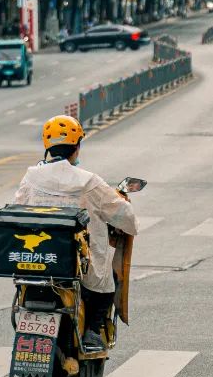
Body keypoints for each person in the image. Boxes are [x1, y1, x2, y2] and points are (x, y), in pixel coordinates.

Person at [11, 115, 138, 352]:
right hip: (79, 263)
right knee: (105, 284)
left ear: (47, 147)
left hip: (38, 259)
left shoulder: (31, 176)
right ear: (77, 147)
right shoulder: (89, 181)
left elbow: (18, 207)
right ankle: (92, 330)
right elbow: (125, 217)